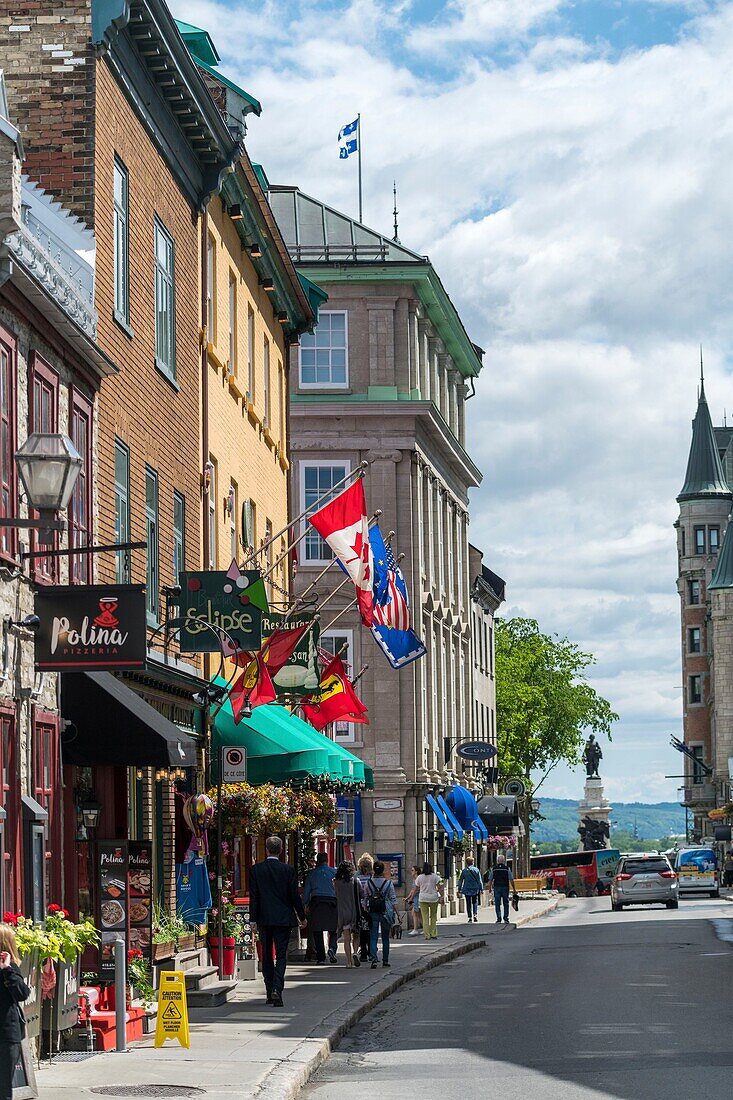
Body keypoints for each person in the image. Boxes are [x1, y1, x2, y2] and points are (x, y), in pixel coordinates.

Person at [249, 836, 306, 1007]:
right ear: (281, 850)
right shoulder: (288, 870)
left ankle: (268, 992)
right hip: (283, 919)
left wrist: (253, 919)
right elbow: (294, 896)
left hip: (264, 919)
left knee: (266, 954)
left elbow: (254, 897)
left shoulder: (256, 870)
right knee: (281, 955)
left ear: (266, 849)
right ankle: (277, 989)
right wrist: (302, 916)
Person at [0, 923, 29, 1100]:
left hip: (5, 1035)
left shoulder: (10, 970)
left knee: (3, 1088)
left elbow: (22, 993)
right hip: (7, 1035)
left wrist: (7, 969)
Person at [304, 851, 339, 964]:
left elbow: (306, 892)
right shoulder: (334, 872)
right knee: (333, 929)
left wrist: (305, 904)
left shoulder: (312, 874)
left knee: (317, 930)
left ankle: (321, 958)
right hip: (331, 902)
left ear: (317, 861)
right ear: (327, 860)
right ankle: (332, 948)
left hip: (317, 902)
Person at [366, 860, 397, 968]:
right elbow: (393, 900)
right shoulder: (388, 883)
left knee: (373, 936)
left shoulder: (368, 883)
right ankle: (385, 960)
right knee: (385, 938)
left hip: (373, 911)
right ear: (383, 870)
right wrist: (396, 913)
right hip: (385, 912)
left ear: (374, 870)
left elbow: (365, 898)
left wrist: (366, 909)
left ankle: (374, 958)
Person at [334, 860, 363, 967]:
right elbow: (362, 895)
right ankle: (355, 952)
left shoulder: (336, 882)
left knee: (346, 939)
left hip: (343, 913)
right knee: (356, 935)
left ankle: (349, 962)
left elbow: (335, 895)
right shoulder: (356, 881)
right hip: (355, 912)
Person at [409, 862, 443, 940]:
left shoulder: (420, 877)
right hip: (433, 898)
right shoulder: (435, 876)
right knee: (433, 916)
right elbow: (440, 887)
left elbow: (416, 889)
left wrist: (411, 898)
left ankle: (427, 935)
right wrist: (442, 896)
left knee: (425, 917)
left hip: (423, 898)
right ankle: (433, 933)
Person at [356, 853, 375, 960]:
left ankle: (363, 952)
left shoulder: (357, 878)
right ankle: (371, 952)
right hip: (371, 907)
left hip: (360, 907)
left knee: (362, 930)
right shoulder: (372, 879)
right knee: (371, 930)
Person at [487, 853, 514, 924]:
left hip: (497, 887)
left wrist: (489, 888)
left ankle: (498, 919)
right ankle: (506, 918)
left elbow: (490, 879)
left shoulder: (494, 869)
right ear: (504, 861)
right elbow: (511, 879)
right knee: (506, 903)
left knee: (497, 903)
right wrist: (514, 889)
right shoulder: (507, 869)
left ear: (497, 861)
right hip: (505, 887)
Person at [457, 855, 483, 922]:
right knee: (474, 901)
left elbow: (461, 880)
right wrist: (481, 889)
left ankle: (470, 917)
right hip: (475, 888)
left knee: (468, 903)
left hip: (467, 888)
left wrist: (459, 888)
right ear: (472, 862)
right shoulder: (476, 870)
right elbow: (479, 880)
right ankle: (475, 914)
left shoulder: (464, 871)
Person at [407, 864, 422, 936]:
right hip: (416, 897)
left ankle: (415, 929)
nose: (411, 872)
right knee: (418, 914)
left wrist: (410, 898)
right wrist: (408, 897)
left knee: (415, 913)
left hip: (418, 897)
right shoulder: (414, 879)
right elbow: (412, 890)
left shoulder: (418, 879)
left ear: (416, 871)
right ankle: (425, 928)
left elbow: (416, 890)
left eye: (412, 870)